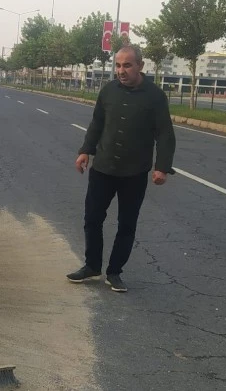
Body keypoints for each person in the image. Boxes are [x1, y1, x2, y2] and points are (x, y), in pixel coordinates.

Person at [67, 45, 176, 293]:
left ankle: (114, 272)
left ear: (140, 66)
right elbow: (96, 124)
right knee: (92, 218)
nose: (121, 70)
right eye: (118, 65)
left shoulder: (155, 96)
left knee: (126, 224)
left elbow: (165, 135)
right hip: (103, 168)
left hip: (134, 172)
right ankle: (92, 265)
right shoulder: (108, 92)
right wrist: (85, 150)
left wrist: (162, 167)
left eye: (127, 65)